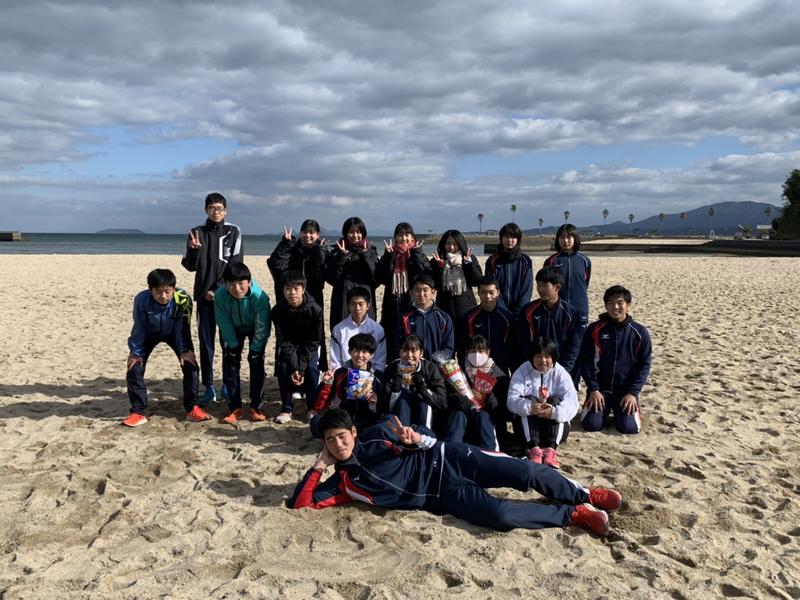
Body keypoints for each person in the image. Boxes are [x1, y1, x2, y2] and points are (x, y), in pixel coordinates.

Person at [289, 409, 623, 537]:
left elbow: (423, 434)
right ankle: (574, 514)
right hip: (443, 496)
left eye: (342, 436)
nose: (338, 444)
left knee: (523, 471)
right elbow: (301, 504)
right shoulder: (343, 484)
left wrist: (416, 439)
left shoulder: (378, 433)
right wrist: (318, 467)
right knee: (500, 515)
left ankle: (585, 494)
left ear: (353, 432)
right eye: (330, 441)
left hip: (451, 458)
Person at [181, 192, 243, 404]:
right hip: (204, 299)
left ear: (226, 211)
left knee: (228, 342)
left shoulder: (233, 232)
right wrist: (193, 251)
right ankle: (209, 386)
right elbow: (189, 266)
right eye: (212, 208)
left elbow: (236, 264)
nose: (216, 212)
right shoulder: (196, 232)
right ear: (205, 210)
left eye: (219, 208)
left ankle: (227, 384)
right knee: (206, 344)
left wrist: (218, 289)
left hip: (227, 298)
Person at [124, 268, 204, 427]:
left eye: (167, 291)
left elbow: (183, 327)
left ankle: (192, 408)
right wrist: (136, 352)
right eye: (158, 292)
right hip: (149, 333)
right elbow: (139, 326)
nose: (163, 296)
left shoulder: (183, 298)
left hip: (174, 333)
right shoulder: (141, 299)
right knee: (134, 367)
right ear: (150, 289)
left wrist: (184, 350)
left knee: (191, 365)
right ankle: (138, 412)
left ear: (173, 288)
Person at [580, 285, 652, 435]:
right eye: (611, 303)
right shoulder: (594, 329)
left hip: (625, 391)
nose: (615, 307)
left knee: (629, 428)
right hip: (601, 390)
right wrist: (593, 389)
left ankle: (631, 411)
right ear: (606, 306)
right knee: (592, 425)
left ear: (628, 305)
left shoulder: (639, 332)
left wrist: (632, 393)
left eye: (620, 303)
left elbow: (644, 365)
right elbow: (585, 361)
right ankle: (600, 410)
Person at [266, 219, 329, 371]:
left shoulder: (322, 250)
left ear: (318, 234)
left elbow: (320, 276)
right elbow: (276, 265)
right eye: (305, 232)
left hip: (313, 300)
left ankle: (314, 370)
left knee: (314, 336)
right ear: (300, 233)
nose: (308, 235)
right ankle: (291, 370)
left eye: (312, 232)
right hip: (291, 298)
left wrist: (319, 253)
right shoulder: (293, 248)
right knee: (289, 336)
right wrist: (285, 244)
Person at [507, 337, 578, 467]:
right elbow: (511, 400)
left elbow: (573, 402)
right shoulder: (522, 371)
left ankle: (551, 450)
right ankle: (534, 449)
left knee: (556, 400)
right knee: (528, 399)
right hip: (530, 427)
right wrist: (530, 407)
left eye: (547, 357)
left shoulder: (560, 373)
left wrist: (554, 412)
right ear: (532, 357)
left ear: (553, 358)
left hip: (551, 427)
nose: (543, 361)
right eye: (538, 356)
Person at [214, 262, 271, 424]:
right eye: (231, 284)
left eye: (241, 283)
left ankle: (256, 407)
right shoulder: (220, 295)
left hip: (255, 328)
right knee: (230, 365)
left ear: (249, 282)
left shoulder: (259, 296)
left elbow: (262, 324)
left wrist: (256, 349)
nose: (237, 288)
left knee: (256, 363)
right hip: (232, 328)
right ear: (225, 284)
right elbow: (223, 322)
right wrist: (232, 345)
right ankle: (235, 408)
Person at [270, 270, 324, 424]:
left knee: (312, 369)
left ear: (303, 289)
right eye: (288, 288)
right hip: (289, 347)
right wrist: (295, 368)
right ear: (283, 290)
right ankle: (286, 408)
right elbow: (283, 340)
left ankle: (312, 408)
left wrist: (301, 368)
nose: (292, 292)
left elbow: (314, 340)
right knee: (283, 367)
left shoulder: (315, 309)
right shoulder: (278, 311)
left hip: (309, 347)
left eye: (296, 288)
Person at [309, 333, 384, 436]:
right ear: (349, 351)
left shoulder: (378, 377)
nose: (360, 355)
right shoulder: (339, 373)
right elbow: (320, 406)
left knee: (383, 426)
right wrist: (327, 384)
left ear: (371, 355)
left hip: (366, 422)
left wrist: (374, 403)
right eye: (356, 350)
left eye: (364, 351)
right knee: (315, 422)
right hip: (343, 421)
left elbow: (382, 410)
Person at [544, 223, 591, 383]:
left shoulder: (585, 261)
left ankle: (573, 383)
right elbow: (547, 287)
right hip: (558, 311)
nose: (566, 240)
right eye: (562, 237)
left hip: (580, 310)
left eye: (569, 236)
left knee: (576, 348)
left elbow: (585, 283)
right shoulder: (552, 260)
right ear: (557, 239)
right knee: (557, 345)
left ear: (575, 238)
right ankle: (554, 380)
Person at [376, 222, 431, 359]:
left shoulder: (417, 253)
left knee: (412, 338)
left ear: (412, 237)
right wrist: (388, 256)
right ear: (395, 237)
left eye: (407, 234)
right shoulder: (391, 254)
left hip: (411, 302)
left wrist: (416, 254)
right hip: (391, 304)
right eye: (400, 235)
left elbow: (423, 276)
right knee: (391, 339)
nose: (404, 238)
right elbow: (381, 277)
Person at [444, 335, 508, 451]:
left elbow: (502, 409)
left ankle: (489, 453)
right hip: (465, 416)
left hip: (486, 421)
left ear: (488, 352)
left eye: (481, 351)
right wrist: (465, 402)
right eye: (473, 351)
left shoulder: (498, 375)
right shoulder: (457, 371)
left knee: (483, 416)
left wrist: (488, 396)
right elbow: (450, 396)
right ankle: (451, 452)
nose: (477, 355)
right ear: (467, 352)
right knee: (458, 415)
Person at [515, 267, 582, 375]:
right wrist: (532, 367)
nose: (540, 289)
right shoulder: (528, 311)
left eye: (545, 285)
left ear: (557, 287)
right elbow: (523, 344)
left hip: (561, 369)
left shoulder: (572, 314)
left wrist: (562, 372)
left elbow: (573, 347)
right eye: (538, 285)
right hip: (534, 368)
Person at [377, 334, 447, 429]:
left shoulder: (430, 368)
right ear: (399, 352)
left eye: (414, 351)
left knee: (422, 400)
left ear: (421, 353)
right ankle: (402, 433)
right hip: (400, 414)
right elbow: (382, 405)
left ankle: (424, 433)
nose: (409, 355)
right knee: (403, 397)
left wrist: (423, 388)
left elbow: (442, 402)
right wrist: (395, 388)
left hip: (422, 413)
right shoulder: (392, 368)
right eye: (405, 350)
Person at [324, 217, 379, 330]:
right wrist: (343, 257)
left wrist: (365, 255)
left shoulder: (371, 251)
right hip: (342, 300)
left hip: (364, 298)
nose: (355, 235)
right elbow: (331, 278)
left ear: (363, 233)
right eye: (351, 232)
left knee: (366, 333)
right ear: (345, 233)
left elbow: (376, 278)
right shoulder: (336, 252)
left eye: (358, 232)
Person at [458, 275, 515, 375]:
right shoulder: (468, 318)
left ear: (498, 293)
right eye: (484, 292)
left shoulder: (508, 318)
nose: (487, 296)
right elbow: (462, 349)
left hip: (500, 370)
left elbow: (513, 348)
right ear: (478, 293)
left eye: (491, 292)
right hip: (474, 371)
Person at [395, 274, 454, 361]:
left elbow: (449, 347)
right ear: (411, 293)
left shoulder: (444, 318)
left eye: (425, 290)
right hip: (413, 365)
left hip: (437, 367)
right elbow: (399, 345)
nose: (421, 294)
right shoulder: (405, 318)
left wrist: (437, 364)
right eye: (417, 290)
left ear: (433, 292)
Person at [429, 229, 482, 323]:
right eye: (448, 243)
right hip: (444, 307)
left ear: (461, 244)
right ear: (443, 244)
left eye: (455, 244)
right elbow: (434, 285)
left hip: (467, 306)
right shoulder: (436, 261)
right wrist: (440, 267)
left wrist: (469, 264)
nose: (451, 247)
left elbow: (477, 281)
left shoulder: (468, 258)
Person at [329, 286, 387, 372]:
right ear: (348, 306)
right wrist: (341, 376)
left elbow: (380, 361)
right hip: (345, 375)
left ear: (368, 306)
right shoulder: (338, 330)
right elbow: (335, 361)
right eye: (353, 304)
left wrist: (372, 377)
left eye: (361, 304)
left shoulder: (378, 330)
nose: (357, 308)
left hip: (370, 376)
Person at [484, 223, 533, 316]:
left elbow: (527, 288)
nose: (509, 240)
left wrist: (519, 310)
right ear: (501, 238)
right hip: (498, 310)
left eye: (513, 237)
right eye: (506, 236)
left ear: (518, 239)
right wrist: (503, 310)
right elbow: (491, 286)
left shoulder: (525, 261)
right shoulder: (492, 261)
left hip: (519, 312)